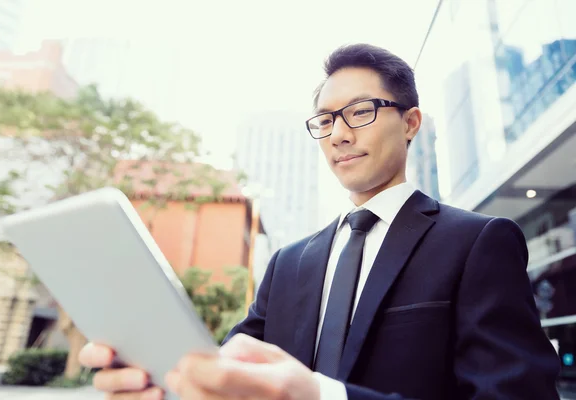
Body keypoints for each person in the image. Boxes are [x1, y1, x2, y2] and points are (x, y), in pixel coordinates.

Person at [79, 44, 561, 400]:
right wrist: (166, 381)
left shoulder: (477, 241)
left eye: (360, 112)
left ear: (411, 123)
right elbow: (231, 371)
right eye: (325, 120)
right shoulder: (289, 263)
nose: (339, 135)